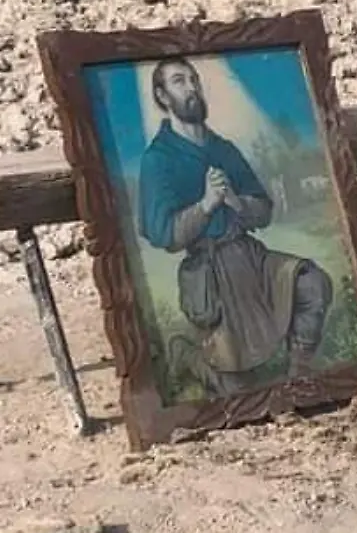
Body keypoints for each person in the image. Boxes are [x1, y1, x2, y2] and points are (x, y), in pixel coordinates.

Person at [136, 57, 335, 393]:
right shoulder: (158, 159)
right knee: (238, 390)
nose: (192, 88)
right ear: (163, 96)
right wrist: (205, 205)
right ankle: (187, 356)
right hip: (209, 271)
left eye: (194, 79)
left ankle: (298, 373)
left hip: (250, 257)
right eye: (179, 81)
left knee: (313, 282)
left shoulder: (224, 149)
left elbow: (264, 211)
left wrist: (236, 202)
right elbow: (164, 234)